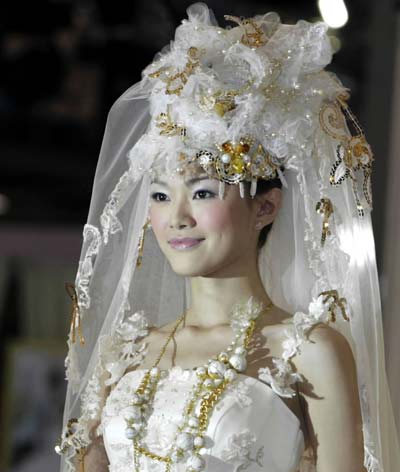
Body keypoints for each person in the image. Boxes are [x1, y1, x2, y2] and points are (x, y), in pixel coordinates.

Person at [56, 3, 400, 471]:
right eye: (158, 195)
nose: (176, 217)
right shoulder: (126, 354)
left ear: (265, 206)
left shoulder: (307, 352)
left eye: (201, 192)